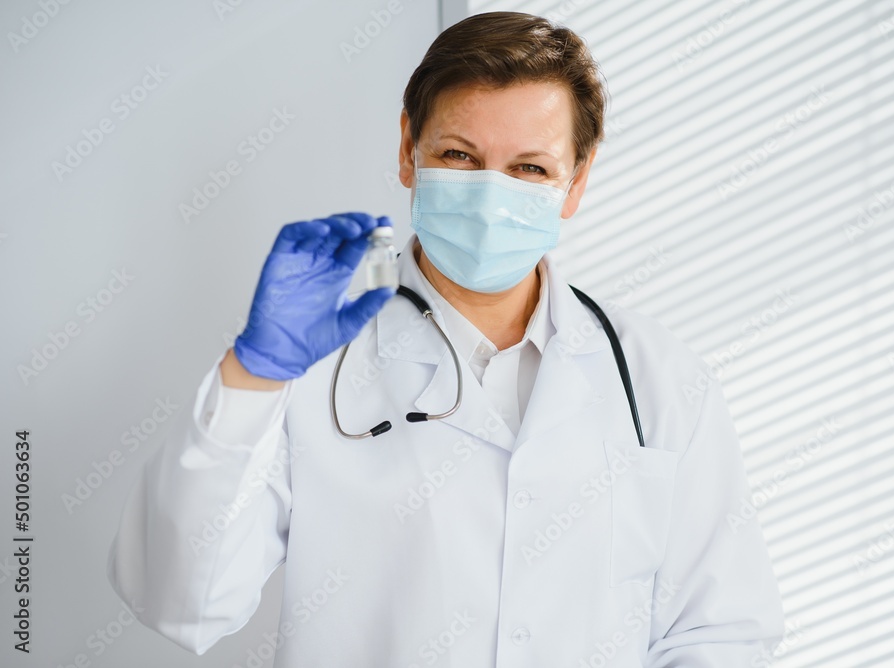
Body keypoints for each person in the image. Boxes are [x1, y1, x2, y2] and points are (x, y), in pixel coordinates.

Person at [107, 11, 784, 666]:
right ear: (409, 150)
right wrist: (253, 375)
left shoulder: (659, 379)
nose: (490, 197)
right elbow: (180, 603)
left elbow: (721, 631)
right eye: (459, 155)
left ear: (576, 180)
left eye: (530, 169)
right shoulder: (311, 366)